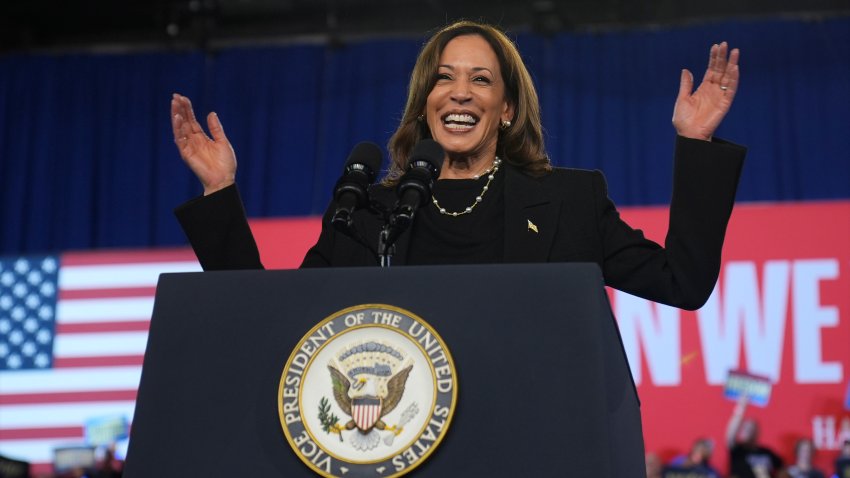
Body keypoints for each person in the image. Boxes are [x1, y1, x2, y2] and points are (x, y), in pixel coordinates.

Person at [172, 20, 745, 311]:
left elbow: (684, 283)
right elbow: (275, 322)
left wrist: (695, 144)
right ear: (426, 102)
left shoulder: (570, 203)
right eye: (444, 78)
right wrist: (220, 191)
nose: (460, 93)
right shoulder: (368, 212)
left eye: (480, 80)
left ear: (506, 109)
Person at [726, 395, 784, 478]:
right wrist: (741, 408)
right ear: (741, 432)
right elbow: (731, 434)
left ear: (758, 432)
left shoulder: (767, 452)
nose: (749, 431)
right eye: (746, 428)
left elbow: (782, 469)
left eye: (752, 429)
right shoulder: (737, 450)